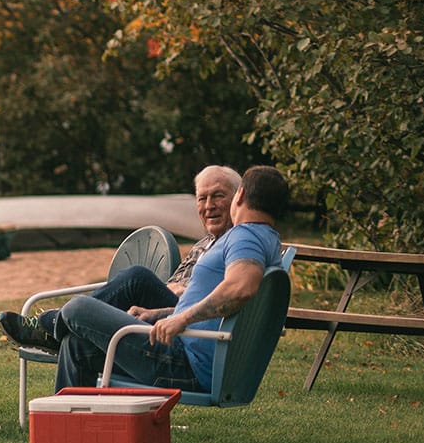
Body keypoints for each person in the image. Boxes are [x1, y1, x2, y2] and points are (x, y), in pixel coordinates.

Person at [53, 165, 289, 393]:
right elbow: (225, 307)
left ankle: (48, 326)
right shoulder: (266, 238)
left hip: (184, 361)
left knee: (78, 307)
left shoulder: (246, 237)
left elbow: (240, 289)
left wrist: (182, 319)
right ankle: (64, 420)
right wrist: (161, 314)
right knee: (76, 345)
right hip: (191, 355)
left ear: (241, 195)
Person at [0, 165, 243, 352]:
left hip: (187, 323)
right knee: (76, 341)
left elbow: (219, 303)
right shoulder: (204, 243)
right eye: (202, 198)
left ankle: (51, 325)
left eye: (218, 196)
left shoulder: (239, 244)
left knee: (138, 278)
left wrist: (168, 303)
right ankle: (62, 331)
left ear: (237, 199)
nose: (209, 205)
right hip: (166, 312)